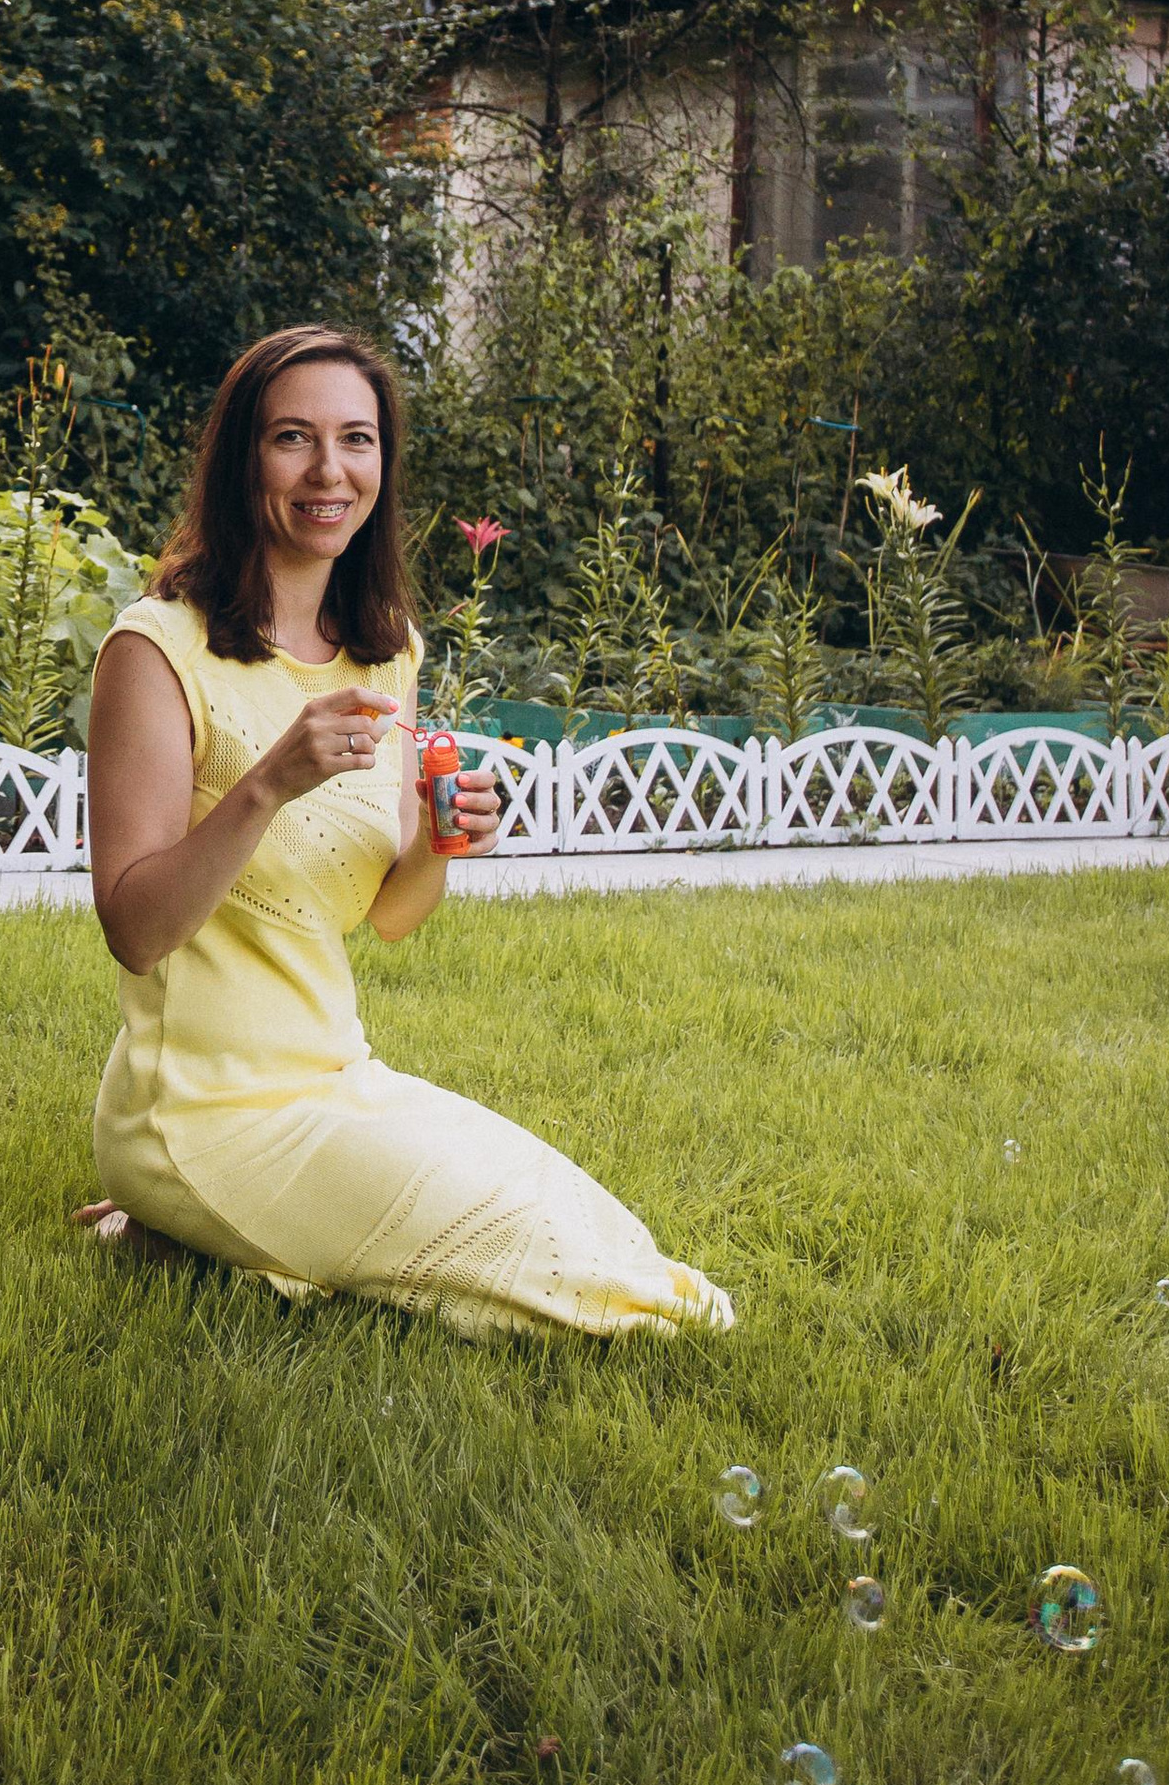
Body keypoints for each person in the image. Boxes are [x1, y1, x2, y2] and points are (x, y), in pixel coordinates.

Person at [81, 324, 733, 1341]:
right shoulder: (156, 650)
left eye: (357, 439)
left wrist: (439, 839)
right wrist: (266, 785)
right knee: (585, 1296)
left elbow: (390, 917)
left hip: (337, 1079)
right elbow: (135, 930)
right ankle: (179, 1198)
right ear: (240, 459)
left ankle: (201, 1236)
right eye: (292, 438)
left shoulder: (385, 654)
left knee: (594, 1233)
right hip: (200, 1108)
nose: (328, 471)